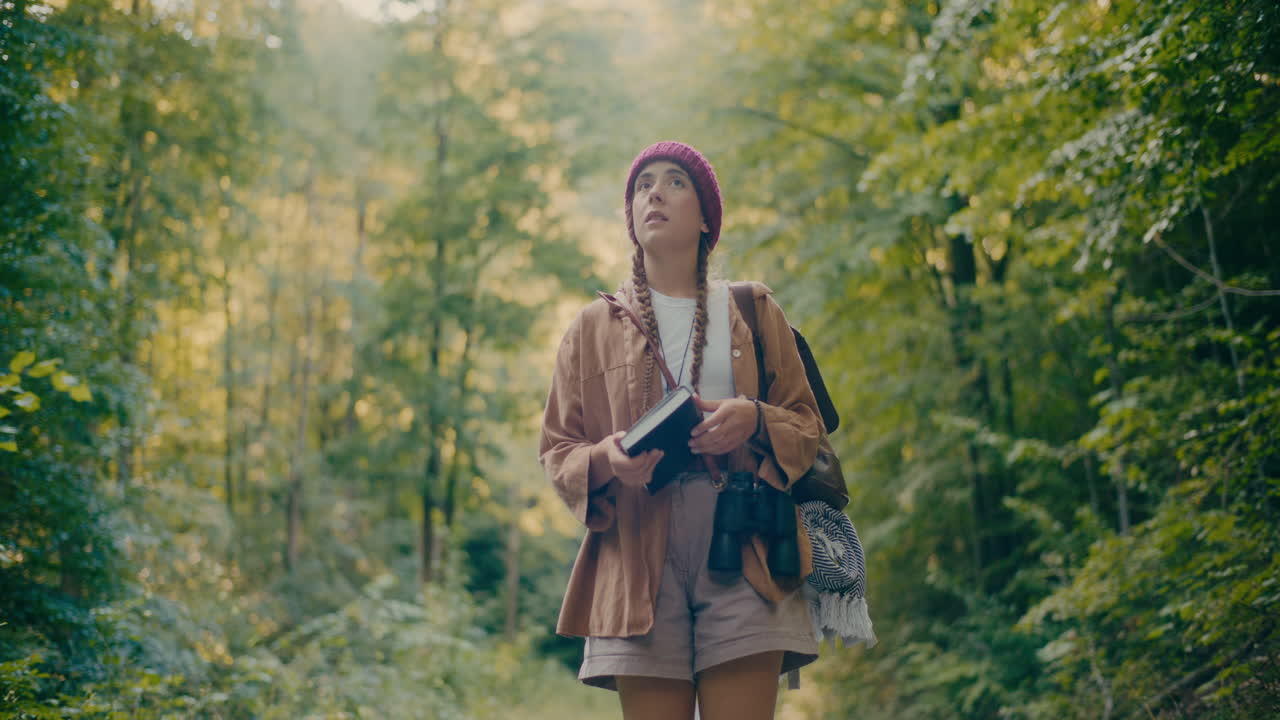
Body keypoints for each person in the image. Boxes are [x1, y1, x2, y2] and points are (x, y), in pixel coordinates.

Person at [539, 141, 824, 720]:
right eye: (643, 185)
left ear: (705, 219)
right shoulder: (590, 328)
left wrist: (753, 416)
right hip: (635, 548)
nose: (654, 193)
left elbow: (807, 424)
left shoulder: (753, 309)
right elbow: (557, 448)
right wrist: (607, 459)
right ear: (631, 218)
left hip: (745, 540)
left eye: (674, 182)